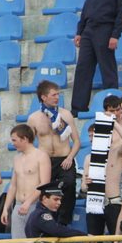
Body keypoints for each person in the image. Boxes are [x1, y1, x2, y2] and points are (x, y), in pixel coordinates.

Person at [70, 0, 122, 116]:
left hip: (106, 29)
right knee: (83, 69)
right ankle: (78, 109)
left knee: (107, 69)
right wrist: (80, 31)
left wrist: (115, 34)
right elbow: (86, 7)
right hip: (88, 29)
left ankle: (113, 108)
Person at [27, 80, 80, 225]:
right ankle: (46, 221)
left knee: (69, 184)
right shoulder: (33, 118)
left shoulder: (65, 114)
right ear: (43, 97)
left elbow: (76, 141)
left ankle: (63, 222)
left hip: (64, 158)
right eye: (53, 95)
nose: (57, 97)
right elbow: (29, 144)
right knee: (46, 191)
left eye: (58, 94)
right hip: (45, 160)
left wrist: (70, 157)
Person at [85, 95, 122, 236]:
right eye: (111, 111)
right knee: (94, 240)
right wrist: (86, 182)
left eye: (118, 110)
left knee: (118, 236)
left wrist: (114, 123)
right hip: (102, 183)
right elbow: (84, 186)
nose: (115, 113)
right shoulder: (100, 131)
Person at [1, 124, 51, 239]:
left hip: (35, 205)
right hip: (19, 205)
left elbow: (44, 183)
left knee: (34, 242)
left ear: (24, 139)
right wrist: (6, 208)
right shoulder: (17, 158)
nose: (13, 143)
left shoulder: (41, 156)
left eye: (14, 140)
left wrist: (28, 202)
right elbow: (13, 186)